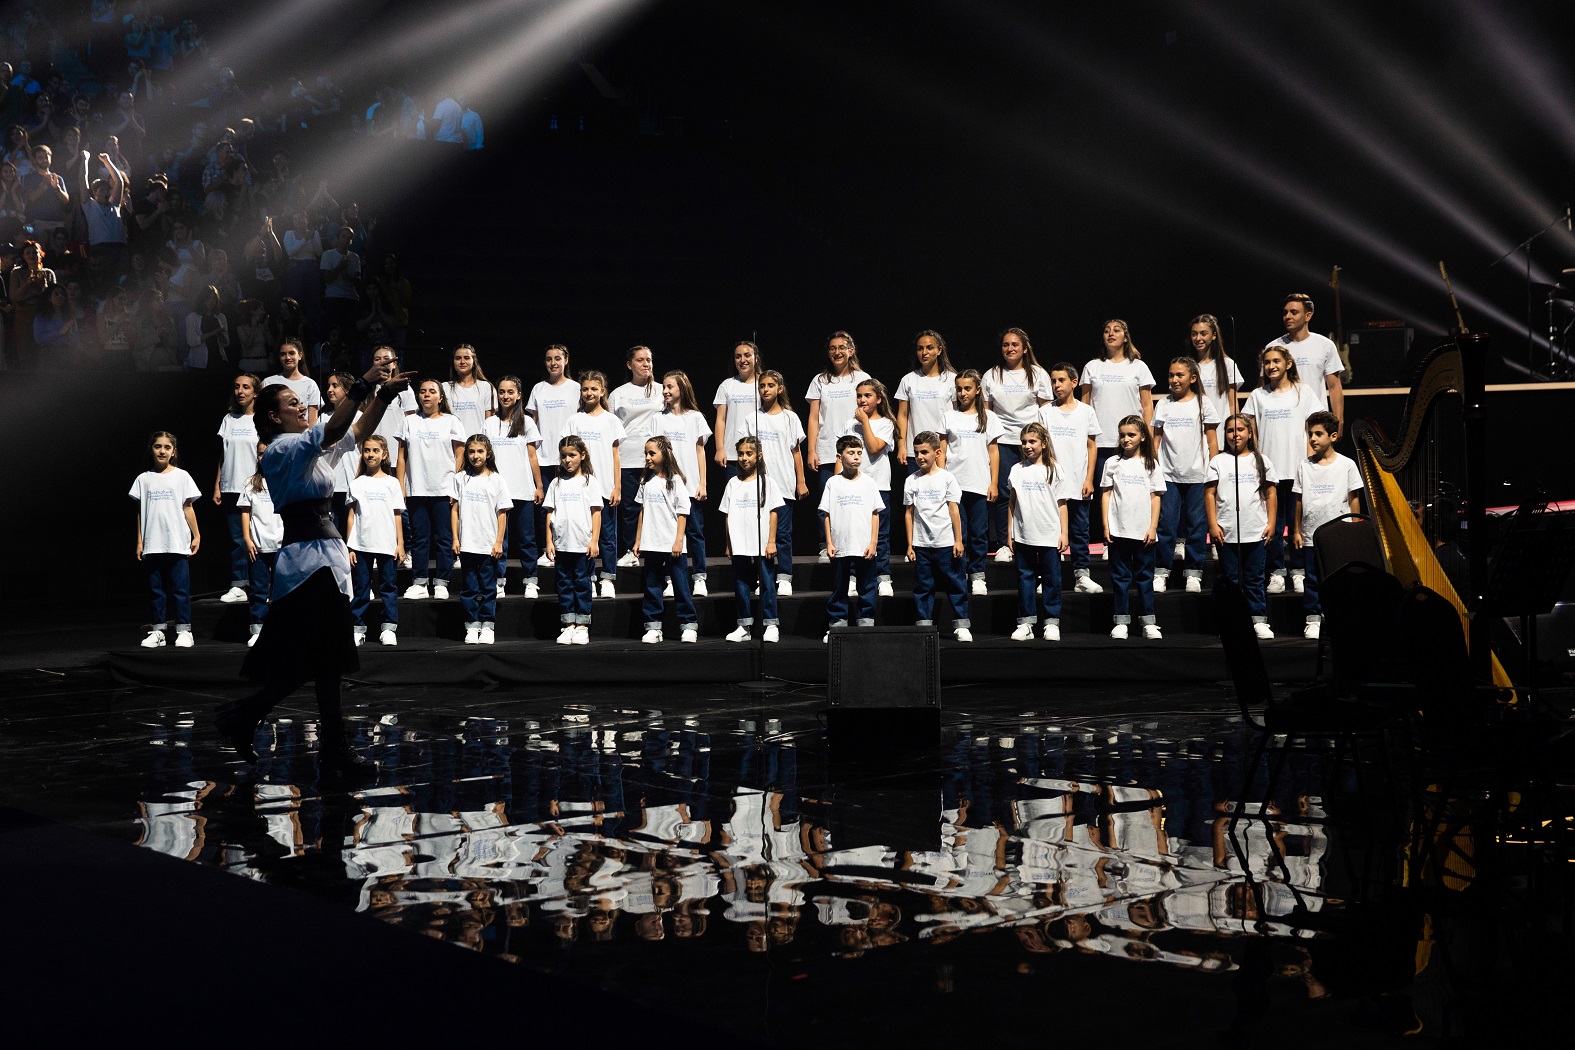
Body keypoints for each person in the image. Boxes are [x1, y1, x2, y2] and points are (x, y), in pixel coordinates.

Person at [214, 360, 412, 773]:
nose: (301, 407)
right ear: (274, 416)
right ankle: (321, 744)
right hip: (307, 562)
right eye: (292, 403)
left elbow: (356, 431)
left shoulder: (308, 448)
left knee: (322, 660)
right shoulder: (282, 449)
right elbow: (336, 428)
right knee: (323, 659)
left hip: (324, 557)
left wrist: (384, 396)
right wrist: (362, 385)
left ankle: (249, 718)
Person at [1241, 346, 1322, 594]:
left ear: (1288, 363)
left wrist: (1310, 460)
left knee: (1298, 525)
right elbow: (1251, 429)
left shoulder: (1303, 392)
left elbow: (1313, 426)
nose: (1271, 366)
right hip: (1270, 471)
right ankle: (1276, 572)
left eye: (1276, 361)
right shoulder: (1258, 395)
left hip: (1297, 468)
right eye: (1267, 362)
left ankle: (1298, 571)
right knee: (1273, 527)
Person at [1081, 319, 1155, 554]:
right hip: (1101, 441)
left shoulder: (1138, 367)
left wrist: (1149, 438)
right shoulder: (1092, 366)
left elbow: (1147, 406)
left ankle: (1134, 539)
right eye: (1106, 330)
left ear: (1125, 336)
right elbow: (1085, 404)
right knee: (1106, 493)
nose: (1110, 334)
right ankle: (1108, 541)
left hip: (1131, 443)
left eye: (1116, 330)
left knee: (1130, 494)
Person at [1150, 357, 1219, 595]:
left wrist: (1214, 471)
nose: (1174, 379)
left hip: (1198, 476)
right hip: (1169, 475)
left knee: (1197, 526)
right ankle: (1161, 571)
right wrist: (1155, 468)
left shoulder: (1203, 403)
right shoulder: (1163, 404)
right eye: (1171, 375)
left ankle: (1193, 573)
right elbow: (1156, 440)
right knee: (1166, 525)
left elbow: (1212, 441)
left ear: (1192, 378)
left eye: (1179, 375)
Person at [1291, 411, 1363, 640]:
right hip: (1312, 533)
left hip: (1339, 535)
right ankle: (1313, 618)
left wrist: (1354, 527)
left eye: (1318, 434)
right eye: (1310, 434)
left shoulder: (1347, 465)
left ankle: (1337, 617)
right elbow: (1299, 500)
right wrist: (1296, 530)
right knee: (1313, 579)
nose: (1312, 438)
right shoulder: (1304, 466)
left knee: (1339, 579)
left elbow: (1353, 498)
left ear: (1332, 436)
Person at [1206, 415, 1279, 640]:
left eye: (1240, 430)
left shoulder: (1262, 460)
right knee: (1230, 580)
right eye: (1230, 430)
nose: (1235, 434)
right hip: (1226, 532)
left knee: (1254, 578)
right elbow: (1209, 494)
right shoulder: (1218, 461)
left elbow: (1271, 493)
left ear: (1249, 433)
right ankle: (1231, 623)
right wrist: (1212, 525)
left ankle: (1258, 620)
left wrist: (1272, 523)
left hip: (1255, 530)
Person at [983, 327, 1052, 559]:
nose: (1010, 348)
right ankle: (1004, 543)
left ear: (1024, 348)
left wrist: (1042, 442)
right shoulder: (991, 375)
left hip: (1031, 442)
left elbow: (1047, 411)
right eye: (1006, 345)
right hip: (1003, 441)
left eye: (1014, 344)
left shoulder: (1038, 374)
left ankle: (1042, 540)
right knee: (1005, 493)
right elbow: (986, 413)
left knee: (1036, 491)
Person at [130, 431, 201, 648]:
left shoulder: (182, 476)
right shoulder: (143, 479)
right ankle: (158, 631)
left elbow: (188, 507)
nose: (162, 451)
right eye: (158, 446)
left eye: (167, 447)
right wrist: (140, 541)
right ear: (151, 450)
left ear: (173, 452)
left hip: (177, 541)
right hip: (153, 542)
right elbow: (141, 511)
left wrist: (197, 534)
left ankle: (184, 630)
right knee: (156, 590)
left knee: (180, 590)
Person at [1039, 362, 1102, 595]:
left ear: (1074, 382)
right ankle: (1048, 577)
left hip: (1078, 481)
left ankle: (1081, 575)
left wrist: (1089, 479)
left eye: (1061, 380)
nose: (1056, 385)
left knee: (1080, 530)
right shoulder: (1045, 411)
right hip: (1052, 483)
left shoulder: (1086, 412)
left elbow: (1091, 446)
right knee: (1051, 531)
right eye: (1053, 381)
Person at [1100, 416, 1165, 640]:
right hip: (1119, 530)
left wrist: (1153, 527)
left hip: (1143, 530)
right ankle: (1121, 621)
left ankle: (1148, 622)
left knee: (1145, 577)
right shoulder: (1112, 463)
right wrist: (1106, 525)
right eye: (1122, 435)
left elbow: (1155, 497)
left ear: (1143, 437)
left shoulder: (1151, 464)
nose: (1126, 439)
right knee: (1120, 578)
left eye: (1131, 435)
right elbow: (1106, 494)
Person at [401, 379, 465, 600]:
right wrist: (401, 486)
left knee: (444, 538)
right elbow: (401, 457)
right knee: (419, 538)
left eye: (431, 391)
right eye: (422, 391)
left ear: (440, 397)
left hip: (444, 488)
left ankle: (441, 583)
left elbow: (460, 455)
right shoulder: (409, 421)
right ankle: (419, 582)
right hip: (417, 488)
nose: (426, 395)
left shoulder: (451, 421)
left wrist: (455, 486)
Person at [563, 370, 625, 598]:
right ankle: (587, 578)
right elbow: (567, 454)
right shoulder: (574, 420)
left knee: (607, 535)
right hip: (580, 488)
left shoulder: (611, 420)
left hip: (605, 486)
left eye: (593, 389)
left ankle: (607, 578)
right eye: (585, 389)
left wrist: (617, 486)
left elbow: (616, 456)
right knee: (585, 535)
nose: (589, 393)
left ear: (602, 391)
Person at [744, 369, 807, 594]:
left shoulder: (790, 418)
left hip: (784, 483)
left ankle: (784, 577)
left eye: (770, 385)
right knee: (760, 534)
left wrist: (801, 481)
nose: (765, 389)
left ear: (779, 389)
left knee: (782, 534)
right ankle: (764, 578)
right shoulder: (752, 418)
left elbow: (796, 452)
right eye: (762, 386)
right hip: (759, 485)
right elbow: (746, 452)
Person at [904, 431, 970, 643]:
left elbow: (954, 510)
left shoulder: (947, 478)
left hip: (946, 543)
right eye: (916, 453)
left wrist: (958, 540)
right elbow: (909, 513)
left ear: (937, 453)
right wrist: (910, 545)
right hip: (922, 544)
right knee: (923, 586)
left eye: (924, 452)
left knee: (956, 584)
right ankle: (924, 626)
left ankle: (961, 625)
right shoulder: (911, 480)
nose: (920, 457)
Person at [943, 369, 1004, 598]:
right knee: (958, 533)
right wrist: (942, 480)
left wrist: (994, 483)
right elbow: (942, 451)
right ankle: (959, 574)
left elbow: (993, 451)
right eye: (959, 389)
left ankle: (978, 575)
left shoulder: (989, 417)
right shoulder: (949, 417)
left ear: (978, 390)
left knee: (979, 532)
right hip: (955, 485)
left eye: (967, 388)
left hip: (979, 483)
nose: (963, 393)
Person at [1007, 422, 1069, 641]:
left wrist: (1064, 533)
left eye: (1032, 441)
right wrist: (1010, 532)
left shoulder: (1055, 469)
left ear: (1043, 443)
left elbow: (1062, 503)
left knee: (1052, 578)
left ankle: (1051, 622)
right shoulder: (1017, 470)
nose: (1027, 446)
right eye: (1024, 442)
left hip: (1049, 534)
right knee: (1025, 577)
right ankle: (1026, 623)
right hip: (1024, 534)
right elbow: (1012, 503)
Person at [719, 435, 784, 643]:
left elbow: (773, 512)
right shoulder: (732, 483)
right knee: (741, 583)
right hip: (739, 542)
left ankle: (771, 624)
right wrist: (729, 543)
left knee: (767, 582)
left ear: (759, 455)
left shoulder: (767, 482)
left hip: (762, 542)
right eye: (741, 454)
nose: (744, 458)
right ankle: (744, 625)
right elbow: (727, 515)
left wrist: (771, 541)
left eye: (749, 453)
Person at [653, 370, 712, 597]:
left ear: (682, 388)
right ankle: (671, 579)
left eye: (670, 387)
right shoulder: (658, 419)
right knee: (670, 535)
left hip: (690, 486)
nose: (665, 391)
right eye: (664, 387)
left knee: (695, 533)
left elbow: (700, 451)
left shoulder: (695, 418)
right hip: (666, 487)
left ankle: (699, 578)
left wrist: (703, 483)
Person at [634, 436, 697, 644]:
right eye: (646, 453)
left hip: (671, 544)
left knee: (680, 586)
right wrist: (638, 540)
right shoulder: (646, 481)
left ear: (665, 454)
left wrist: (678, 540)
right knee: (652, 586)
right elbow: (642, 511)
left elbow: (682, 512)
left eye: (652, 453)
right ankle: (653, 627)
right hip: (651, 543)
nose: (647, 457)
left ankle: (688, 624)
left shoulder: (675, 481)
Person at [485, 375, 543, 598]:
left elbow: (532, 456)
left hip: (522, 489)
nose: (505, 396)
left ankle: (531, 581)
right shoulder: (490, 423)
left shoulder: (527, 422)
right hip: (497, 492)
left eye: (510, 392)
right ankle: (499, 581)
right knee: (500, 539)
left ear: (519, 395)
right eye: (502, 392)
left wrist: (539, 485)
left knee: (527, 539)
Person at [819, 434, 881, 641]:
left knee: (867, 585)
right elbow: (826, 513)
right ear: (839, 457)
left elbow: (875, 513)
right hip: (840, 546)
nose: (856, 457)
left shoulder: (869, 483)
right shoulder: (833, 483)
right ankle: (837, 625)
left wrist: (873, 542)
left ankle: (866, 625)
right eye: (851, 453)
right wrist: (829, 542)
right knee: (839, 586)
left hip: (864, 545)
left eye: (859, 453)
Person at [544, 435, 604, 645]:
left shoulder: (590, 482)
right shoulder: (556, 483)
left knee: (582, 584)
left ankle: (582, 625)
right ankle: (568, 624)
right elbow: (549, 514)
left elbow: (596, 513)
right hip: (562, 544)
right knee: (564, 584)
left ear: (582, 455)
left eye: (572, 455)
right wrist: (549, 542)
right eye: (563, 456)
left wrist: (594, 541)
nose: (567, 460)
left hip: (582, 544)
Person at [346, 435, 404, 646]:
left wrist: (400, 544)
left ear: (384, 454)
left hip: (386, 543)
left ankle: (388, 628)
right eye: (367, 450)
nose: (370, 454)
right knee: (361, 587)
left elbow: (397, 515)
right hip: (361, 543)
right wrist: (350, 546)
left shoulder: (392, 483)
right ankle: (358, 628)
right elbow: (351, 516)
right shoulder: (357, 483)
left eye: (375, 450)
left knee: (388, 586)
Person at [451, 434, 510, 645]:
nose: (476, 456)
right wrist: (455, 538)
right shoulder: (460, 479)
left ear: (488, 454)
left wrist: (498, 541)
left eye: (480, 451)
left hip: (488, 544)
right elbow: (455, 511)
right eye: (471, 452)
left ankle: (487, 624)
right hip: (468, 543)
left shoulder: (497, 480)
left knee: (487, 587)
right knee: (469, 587)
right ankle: (472, 625)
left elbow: (502, 513)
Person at [610, 345, 661, 566]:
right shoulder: (618, 393)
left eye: (648, 359)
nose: (646, 364)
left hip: (657, 460)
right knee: (630, 508)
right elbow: (610, 426)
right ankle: (631, 550)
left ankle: (659, 553)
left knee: (657, 506)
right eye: (640, 360)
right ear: (630, 365)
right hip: (628, 457)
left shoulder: (662, 390)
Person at [213, 373, 262, 603]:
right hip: (231, 486)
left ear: (256, 392)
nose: (240, 391)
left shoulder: (261, 420)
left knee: (259, 537)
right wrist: (217, 485)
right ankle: (239, 584)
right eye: (237, 387)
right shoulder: (229, 419)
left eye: (246, 387)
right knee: (237, 539)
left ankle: (262, 583)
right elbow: (223, 455)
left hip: (255, 487)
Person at [526, 344, 576, 563]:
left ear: (566, 360)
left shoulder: (576, 388)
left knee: (570, 505)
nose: (553, 363)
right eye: (549, 359)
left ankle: (571, 550)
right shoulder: (538, 388)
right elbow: (533, 422)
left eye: (557, 358)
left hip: (570, 458)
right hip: (544, 457)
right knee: (545, 508)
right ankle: (547, 550)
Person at [803, 331, 871, 492]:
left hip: (856, 449)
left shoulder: (862, 378)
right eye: (832, 348)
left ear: (851, 351)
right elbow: (813, 418)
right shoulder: (819, 380)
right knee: (829, 499)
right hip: (827, 451)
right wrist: (811, 451)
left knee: (856, 498)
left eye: (841, 347)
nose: (837, 352)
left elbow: (871, 413)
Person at [847, 378, 897, 597]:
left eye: (867, 395)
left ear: (878, 399)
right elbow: (842, 454)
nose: (862, 400)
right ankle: (852, 577)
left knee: (881, 534)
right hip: (853, 486)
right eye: (859, 396)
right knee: (853, 532)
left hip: (878, 485)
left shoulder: (886, 423)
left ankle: (882, 577)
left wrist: (865, 422)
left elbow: (875, 447)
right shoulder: (850, 424)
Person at [1263, 294, 1343, 426]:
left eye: (1294, 312)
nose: (1288, 316)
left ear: (1308, 316)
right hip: (1282, 419)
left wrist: (1339, 422)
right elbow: (1264, 386)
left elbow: (1334, 386)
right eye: (1285, 313)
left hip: (1316, 421)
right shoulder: (1273, 347)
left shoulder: (1325, 345)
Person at [894, 330, 957, 470]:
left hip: (944, 449)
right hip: (916, 451)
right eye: (920, 348)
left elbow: (957, 414)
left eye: (929, 348)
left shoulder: (951, 379)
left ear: (939, 350)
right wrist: (901, 446)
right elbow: (902, 415)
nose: (924, 352)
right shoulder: (908, 380)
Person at [237, 460, 282, 648]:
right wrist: (247, 539)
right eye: (261, 453)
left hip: (281, 545)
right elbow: (245, 512)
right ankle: (258, 629)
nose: (265, 457)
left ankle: (281, 629)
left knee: (282, 591)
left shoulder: (284, 479)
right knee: (258, 590)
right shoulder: (251, 483)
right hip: (257, 545)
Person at [712, 340, 761, 479]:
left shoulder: (764, 385)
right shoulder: (727, 385)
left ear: (756, 358)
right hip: (734, 456)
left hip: (759, 453)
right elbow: (721, 420)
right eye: (738, 356)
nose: (742, 360)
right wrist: (720, 449)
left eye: (747, 355)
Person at [1191, 314, 1244, 421]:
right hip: (1196, 425)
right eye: (1194, 334)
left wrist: (1235, 424)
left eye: (1203, 333)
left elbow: (1233, 404)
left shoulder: (1227, 364)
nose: (1198, 338)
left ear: (1214, 335)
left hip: (1222, 425)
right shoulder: (1188, 366)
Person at [261, 338, 322, 425]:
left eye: (291, 353)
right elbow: (262, 414)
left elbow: (312, 422)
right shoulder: (268, 382)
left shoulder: (310, 384)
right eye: (283, 354)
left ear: (300, 355)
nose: (287, 357)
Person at [443, 342, 496, 435]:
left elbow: (489, 421)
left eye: (466, 358)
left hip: (477, 442)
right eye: (458, 358)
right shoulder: (444, 387)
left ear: (474, 361)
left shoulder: (486, 387)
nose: (462, 362)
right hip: (452, 441)